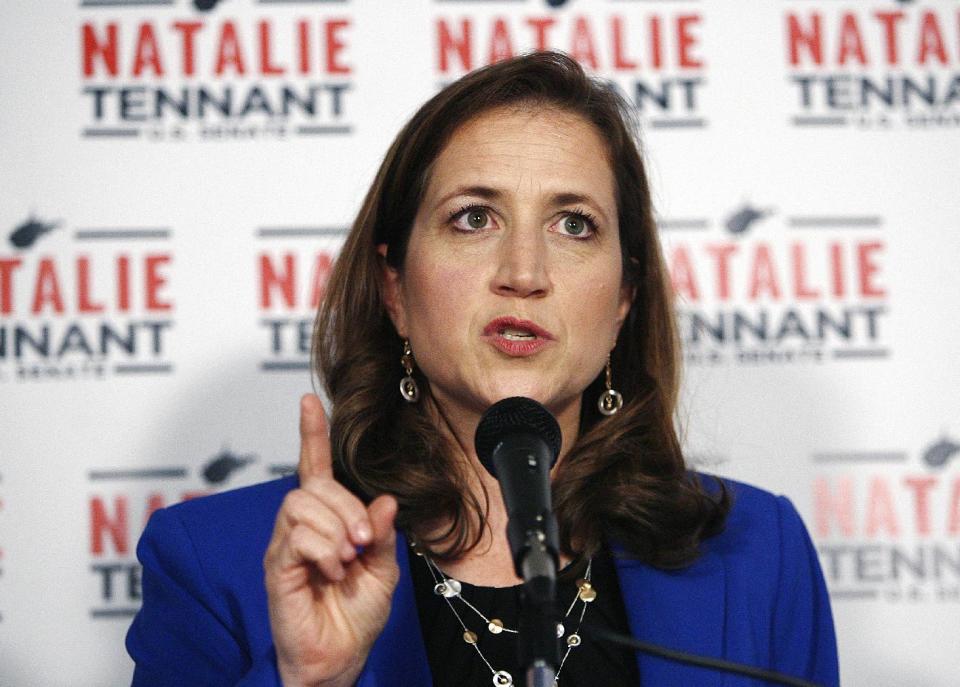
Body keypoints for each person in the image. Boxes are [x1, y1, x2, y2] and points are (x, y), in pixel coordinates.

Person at [126, 52, 839, 686]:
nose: (524, 272)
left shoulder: (756, 554)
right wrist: (308, 680)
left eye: (574, 224)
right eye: (473, 218)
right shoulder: (217, 562)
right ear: (395, 288)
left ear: (624, 298)